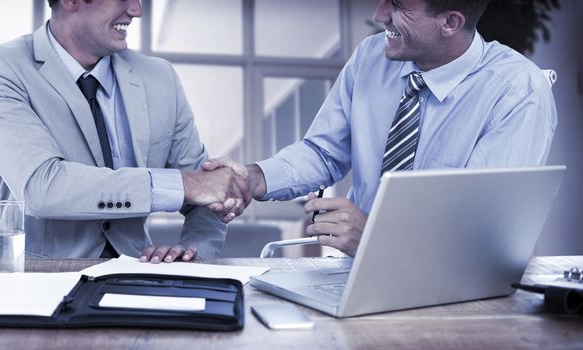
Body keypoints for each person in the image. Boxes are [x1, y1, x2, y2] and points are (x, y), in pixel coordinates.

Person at [204, 0, 557, 256]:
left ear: (450, 22)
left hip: (453, 292)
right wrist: (253, 178)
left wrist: (375, 240)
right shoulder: (371, 57)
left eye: (398, 5)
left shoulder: (517, 91)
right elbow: (323, 152)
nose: (378, 14)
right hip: (353, 274)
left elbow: (481, 234)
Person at [0, 0, 248, 263]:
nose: (136, 10)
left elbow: (208, 193)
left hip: (134, 273)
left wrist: (192, 254)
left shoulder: (160, 78)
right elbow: (42, 189)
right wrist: (183, 185)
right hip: (32, 278)